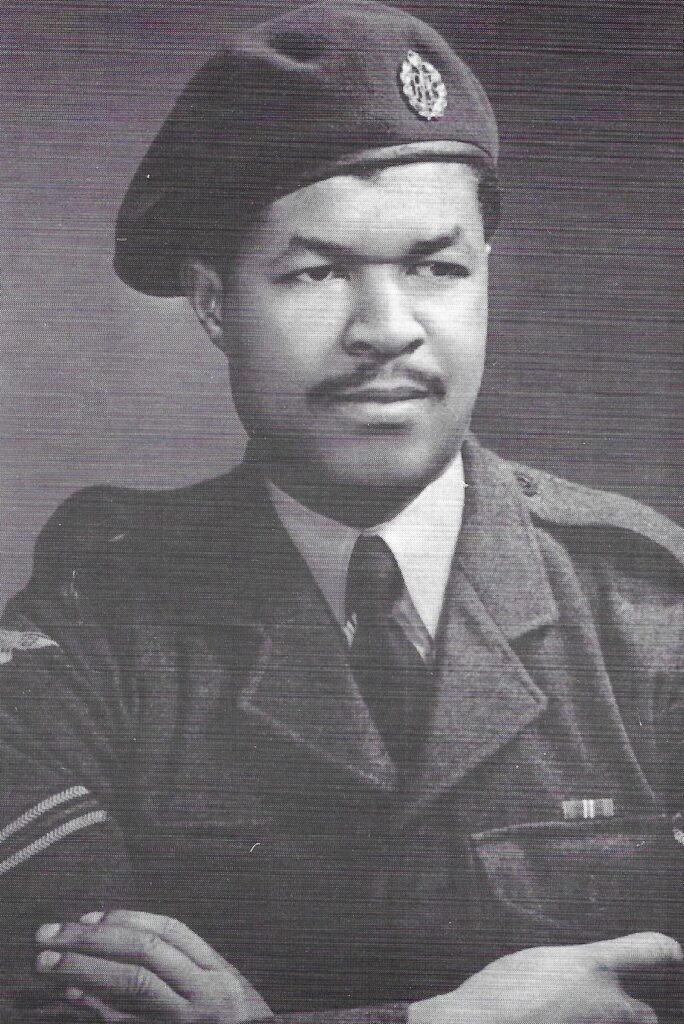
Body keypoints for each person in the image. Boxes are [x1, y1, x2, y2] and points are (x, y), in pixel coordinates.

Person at [0, 2, 682, 1021]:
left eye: (434, 267)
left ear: (487, 281)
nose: (388, 330)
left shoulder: (649, 610)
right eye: (317, 272)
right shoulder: (99, 621)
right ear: (215, 303)